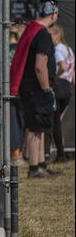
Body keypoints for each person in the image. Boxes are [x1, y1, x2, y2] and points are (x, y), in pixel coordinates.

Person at [10, 0, 62, 178]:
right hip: (36, 89)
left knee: (40, 127)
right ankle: (34, 168)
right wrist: (47, 89)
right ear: (54, 15)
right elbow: (40, 66)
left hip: (33, 88)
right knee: (34, 127)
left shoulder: (34, 30)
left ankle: (41, 165)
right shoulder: (42, 35)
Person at [45, 24, 75, 163]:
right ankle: (57, 153)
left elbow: (62, 67)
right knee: (56, 121)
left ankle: (56, 154)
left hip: (59, 86)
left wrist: (55, 78)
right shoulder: (69, 49)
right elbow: (72, 71)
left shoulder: (57, 49)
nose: (48, 38)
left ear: (57, 35)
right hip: (67, 88)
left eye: (50, 35)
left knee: (54, 122)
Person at [9, 25, 26, 166]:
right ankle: (18, 153)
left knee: (13, 123)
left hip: (9, 90)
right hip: (21, 90)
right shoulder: (21, 49)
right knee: (20, 123)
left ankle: (16, 154)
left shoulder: (3, 50)